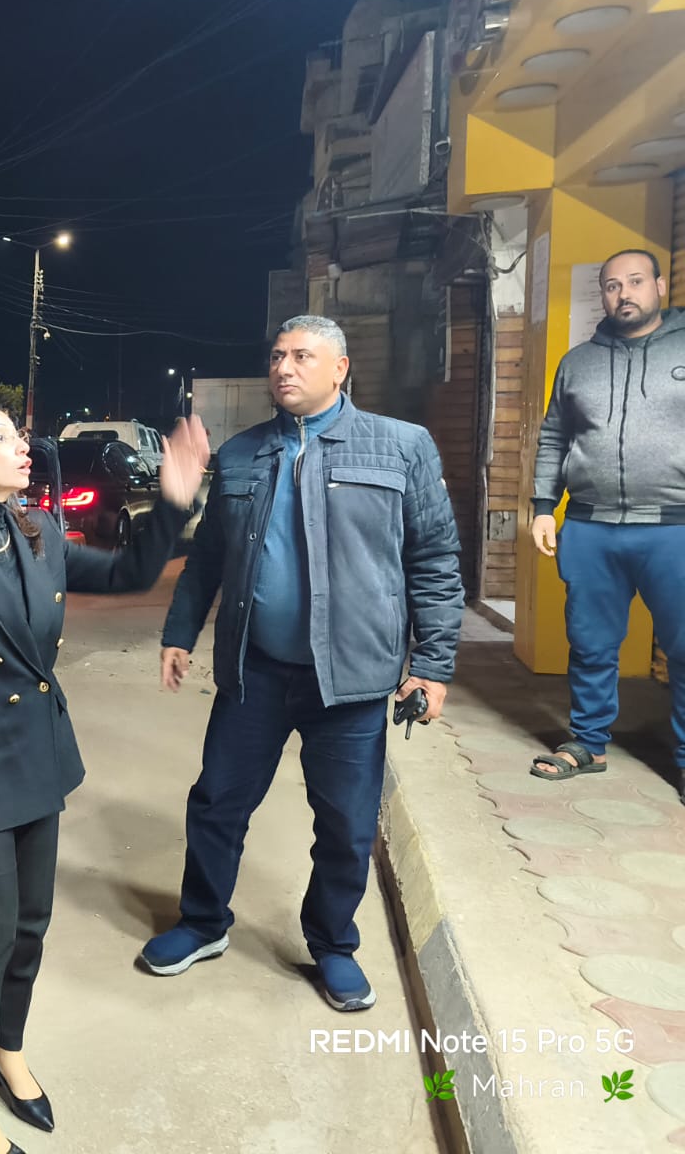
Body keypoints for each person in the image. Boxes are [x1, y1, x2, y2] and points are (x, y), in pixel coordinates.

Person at [0, 402, 208, 1154]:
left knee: (30, 925)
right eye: (2, 437)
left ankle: (7, 1049)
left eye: (19, 434)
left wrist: (173, 501)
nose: (22, 445)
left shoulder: (38, 533)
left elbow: (130, 573)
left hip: (37, 755)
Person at [142, 314, 463, 1014]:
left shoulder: (400, 447)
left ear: (341, 368)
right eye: (277, 355)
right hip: (255, 671)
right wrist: (179, 632)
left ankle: (333, 944)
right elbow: (207, 559)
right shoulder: (243, 453)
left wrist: (433, 665)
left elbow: (434, 560)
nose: (284, 367)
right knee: (217, 803)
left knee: (346, 824)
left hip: (350, 681)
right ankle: (203, 922)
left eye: (302, 356)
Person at [529, 250, 685, 802]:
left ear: (660, 286)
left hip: (674, 525)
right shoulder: (578, 362)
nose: (624, 294)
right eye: (613, 285)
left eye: (635, 281)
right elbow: (554, 436)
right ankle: (588, 743)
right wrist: (543, 506)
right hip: (591, 526)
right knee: (591, 644)